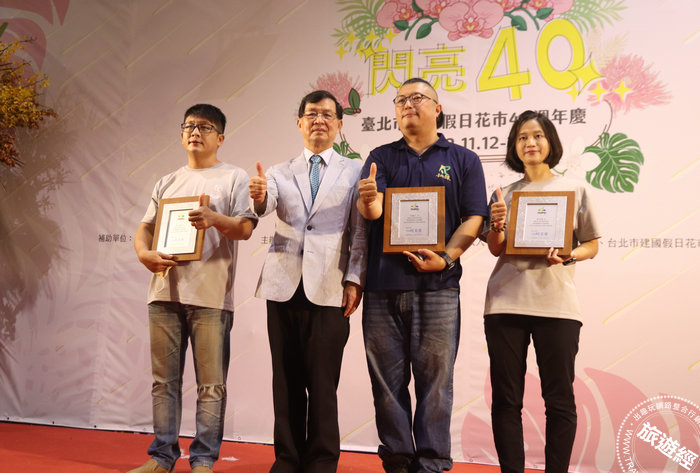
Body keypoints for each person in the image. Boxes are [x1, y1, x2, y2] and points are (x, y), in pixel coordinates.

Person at [356, 77, 488, 473]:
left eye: (417, 98)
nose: (408, 105)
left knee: (436, 383)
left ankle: (432, 462)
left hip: (438, 288)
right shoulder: (380, 157)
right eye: (400, 100)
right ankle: (398, 459)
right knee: (386, 382)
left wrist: (446, 258)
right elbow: (373, 212)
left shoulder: (463, 159)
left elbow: (474, 218)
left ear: (437, 108)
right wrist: (368, 201)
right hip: (383, 286)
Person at [131, 104, 257, 473]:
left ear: (221, 137)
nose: (195, 132)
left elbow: (245, 229)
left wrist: (215, 219)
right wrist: (143, 254)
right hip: (164, 293)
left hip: (210, 298)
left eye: (204, 127)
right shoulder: (167, 181)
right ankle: (162, 457)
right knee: (163, 383)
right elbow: (145, 228)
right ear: (182, 133)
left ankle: (203, 460)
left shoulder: (234, 177)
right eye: (189, 126)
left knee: (211, 386)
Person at [248, 90, 367, 473]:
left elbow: (360, 232)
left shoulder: (355, 170)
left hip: (331, 286)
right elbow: (266, 204)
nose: (319, 120)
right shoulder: (279, 172)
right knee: (285, 380)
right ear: (299, 122)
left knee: (323, 382)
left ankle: (321, 461)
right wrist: (259, 196)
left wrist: (355, 279)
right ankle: (287, 458)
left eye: (327, 114)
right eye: (312, 114)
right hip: (282, 285)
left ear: (339, 124)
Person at [483, 110, 601, 473]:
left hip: (557, 305)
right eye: (522, 137)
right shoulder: (504, 194)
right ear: (514, 146)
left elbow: (591, 245)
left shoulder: (575, 189)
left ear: (550, 142)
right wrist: (497, 226)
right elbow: (496, 248)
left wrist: (569, 255)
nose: (530, 143)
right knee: (506, 400)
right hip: (505, 303)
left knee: (559, 399)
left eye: (537, 136)